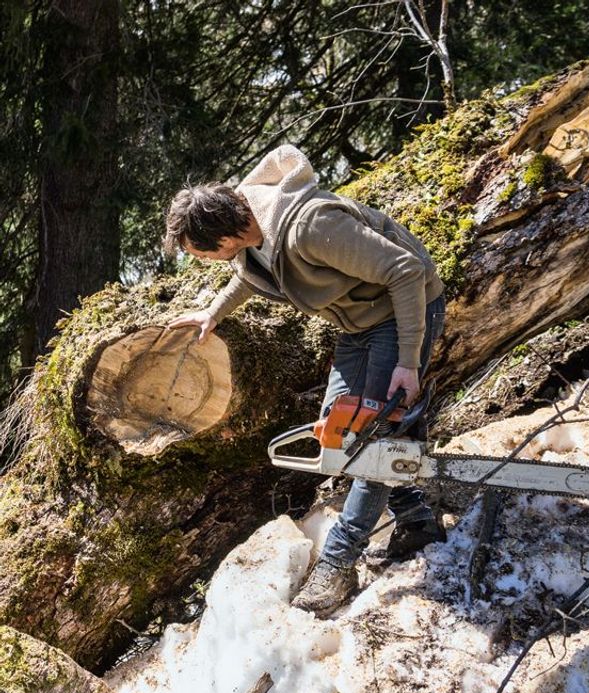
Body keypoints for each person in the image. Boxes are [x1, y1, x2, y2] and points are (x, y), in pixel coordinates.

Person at [164, 144, 446, 618]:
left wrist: (407, 360)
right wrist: (213, 312)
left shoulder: (310, 226)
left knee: (370, 440)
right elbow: (254, 274)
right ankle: (416, 518)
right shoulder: (252, 235)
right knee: (338, 433)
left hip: (400, 314)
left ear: (224, 234)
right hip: (358, 326)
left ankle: (338, 562)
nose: (204, 262)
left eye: (201, 252)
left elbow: (406, 270)